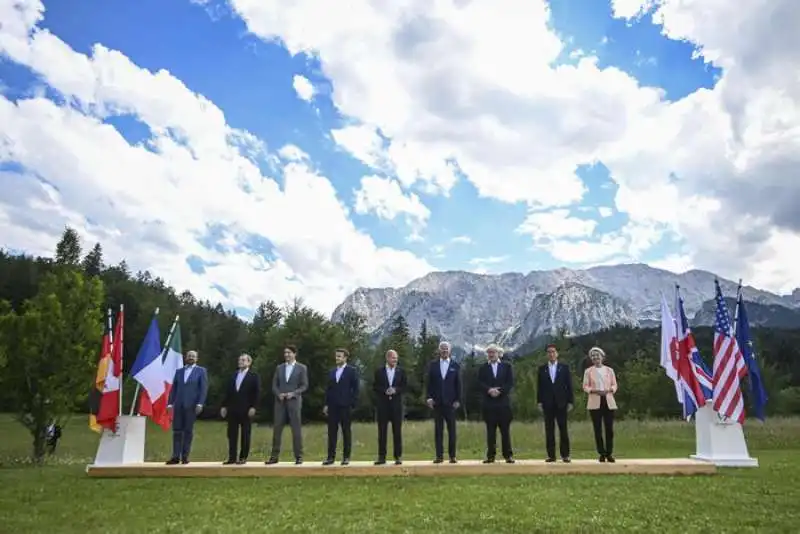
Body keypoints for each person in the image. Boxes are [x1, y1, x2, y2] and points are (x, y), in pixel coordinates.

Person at [266, 344, 308, 465]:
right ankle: (274, 456)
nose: (286, 355)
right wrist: (278, 394)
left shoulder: (302, 368)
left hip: (294, 402)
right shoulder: (279, 368)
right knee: (277, 429)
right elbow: (274, 385)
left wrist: (294, 393)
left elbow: (304, 385)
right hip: (280, 402)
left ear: (295, 354)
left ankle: (299, 456)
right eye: (285, 353)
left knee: (296, 430)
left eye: (289, 353)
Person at [166, 350, 208, 465]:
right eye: (189, 356)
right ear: (186, 357)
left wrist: (200, 403)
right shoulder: (179, 371)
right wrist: (170, 403)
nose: (191, 357)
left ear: (197, 358)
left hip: (192, 405)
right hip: (178, 405)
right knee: (177, 431)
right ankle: (175, 456)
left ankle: (185, 456)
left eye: (193, 356)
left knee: (188, 431)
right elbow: (174, 388)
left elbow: (203, 389)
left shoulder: (201, 371)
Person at [220, 353, 260, 464]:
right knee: (232, 434)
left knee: (245, 434)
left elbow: (256, 393)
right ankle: (232, 457)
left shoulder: (253, 376)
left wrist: (254, 407)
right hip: (233, 409)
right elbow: (228, 392)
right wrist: (224, 406)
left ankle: (243, 457)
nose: (240, 362)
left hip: (246, 409)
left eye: (243, 360)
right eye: (239, 360)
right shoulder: (233, 375)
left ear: (249, 362)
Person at [426, 341, 462, 463]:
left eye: (446, 349)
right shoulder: (433, 365)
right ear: (439, 351)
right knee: (438, 431)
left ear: (450, 351)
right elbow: (429, 383)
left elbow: (459, 385)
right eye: (442, 349)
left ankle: (452, 456)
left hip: (451, 403)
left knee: (452, 430)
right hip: (437, 403)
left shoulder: (455, 365)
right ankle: (439, 456)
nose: (444, 351)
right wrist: (429, 397)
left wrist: (458, 399)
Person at [536, 344, 573, 462]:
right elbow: (539, 387)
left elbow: (569, 386)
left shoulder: (564, 368)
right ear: (547, 354)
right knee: (549, 430)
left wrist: (570, 401)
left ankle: (565, 455)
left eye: (553, 352)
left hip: (561, 402)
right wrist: (539, 401)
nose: (551, 354)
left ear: (557, 354)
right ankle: (551, 455)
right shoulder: (542, 369)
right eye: (549, 352)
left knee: (563, 429)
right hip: (547, 403)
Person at [478, 344, 515, 463]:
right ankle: (490, 456)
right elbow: (479, 383)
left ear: (499, 353)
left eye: (493, 352)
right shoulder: (483, 368)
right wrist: (489, 390)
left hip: (503, 403)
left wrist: (499, 391)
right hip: (489, 404)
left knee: (505, 431)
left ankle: (508, 455)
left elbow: (510, 383)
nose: (491, 354)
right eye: (489, 352)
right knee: (490, 432)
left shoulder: (506, 366)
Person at [323, 348, 360, 465]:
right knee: (332, 432)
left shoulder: (351, 371)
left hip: (345, 405)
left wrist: (352, 403)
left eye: (339, 356)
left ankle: (346, 457)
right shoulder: (332, 372)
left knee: (346, 431)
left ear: (345, 358)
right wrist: (326, 404)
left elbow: (356, 389)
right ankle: (330, 457)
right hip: (333, 405)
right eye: (336, 356)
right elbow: (329, 389)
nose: (337, 358)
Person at [582, 346, 618, 462]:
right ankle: (601, 453)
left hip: (608, 400)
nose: (595, 358)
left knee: (609, 429)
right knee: (597, 429)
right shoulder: (588, 371)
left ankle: (609, 453)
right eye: (593, 356)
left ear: (602, 357)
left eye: (597, 356)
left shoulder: (609, 370)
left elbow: (614, 385)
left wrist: (610, 390)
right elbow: (585, 386)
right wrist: (593, 391)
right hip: (595, 401)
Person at [373, 349, 407, 465]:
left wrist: (396, 390)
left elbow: (404, 386)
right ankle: (381, 457)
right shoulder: (379, 372)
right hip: (383, 406)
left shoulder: (401, 371)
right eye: (393, 358)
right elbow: (375, 387)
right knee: (382, 432)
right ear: (387, 358)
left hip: (396, 406)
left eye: (396, 358)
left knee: (397, 432)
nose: (395, 360)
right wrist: (385, 391)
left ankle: (398, 456)